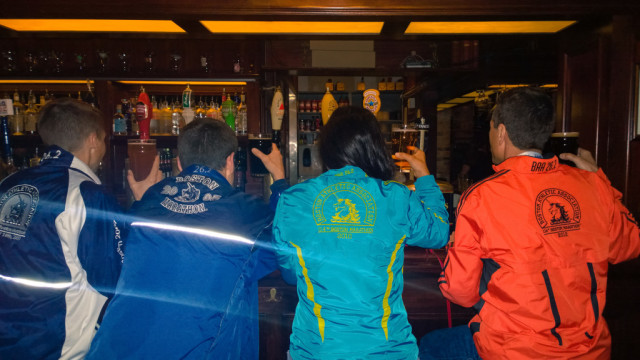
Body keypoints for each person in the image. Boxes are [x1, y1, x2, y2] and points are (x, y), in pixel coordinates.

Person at [420, 87, 640, 359]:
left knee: (428, 347)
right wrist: (600, 180)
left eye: (490, 129)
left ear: (501, 132)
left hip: (513, 351)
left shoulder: (481, 197)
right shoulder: (592, 186)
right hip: (590, 350)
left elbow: (460, 292)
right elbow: (628, 246)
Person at [86, 118, 287, 359]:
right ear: (231, 161)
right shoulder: (247, 213)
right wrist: (280, 182)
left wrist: (141, 202)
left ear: (179, 163)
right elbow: (289, 246)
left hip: (112, 350)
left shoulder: (147, 204)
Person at [272, 106, 449, 359]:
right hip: (387, 351)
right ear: (374, 147)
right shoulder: (396, 196)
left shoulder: (293, 200)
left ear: (327, 148)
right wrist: (423, 176)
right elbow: (440, 232)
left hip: (317, 351)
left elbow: (290, 274)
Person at [0, 98, 159, 359]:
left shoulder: (9, 183)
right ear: (93, 139)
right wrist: (144, 208)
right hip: (57, 346)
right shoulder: (87, 195)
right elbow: (118, 278)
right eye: (105, 139)